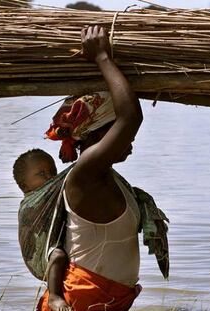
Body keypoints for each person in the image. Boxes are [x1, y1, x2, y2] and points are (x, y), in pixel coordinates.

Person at [37, 24, 145, 310]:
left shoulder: (106, 175)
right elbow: (131, 116)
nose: (130, 140)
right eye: (118, 132)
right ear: (96, 135)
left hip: (101, 299)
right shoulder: (86, 173)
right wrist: (102, 58)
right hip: (82, 299)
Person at [13, 149, 72, 311]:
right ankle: (54, 296)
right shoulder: (32, 202)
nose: (50, 177)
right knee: (58, 255)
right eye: (41, 174)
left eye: (53, 172)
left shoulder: (51, 192)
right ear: (24, 185)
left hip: (50, 242)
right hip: (40, 256)